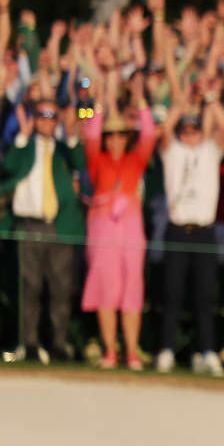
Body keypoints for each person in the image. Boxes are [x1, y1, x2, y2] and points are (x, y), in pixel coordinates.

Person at [2, 101, 87, 364]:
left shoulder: (63, 148)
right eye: (42, 115)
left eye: (52, 116)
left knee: (61, 288)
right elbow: (9, 167)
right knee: (30, 286)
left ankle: (58, 344)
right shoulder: (24, 147)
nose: (47, 120)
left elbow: (80, 162)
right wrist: (23, 135)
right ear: (35, 118)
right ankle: (29, 343)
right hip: (30, 224)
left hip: (59, 226)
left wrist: (72, 132)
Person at [81, 99, 157, 370]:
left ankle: (132, 352)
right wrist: (99, 105)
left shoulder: (135, 160)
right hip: (103, 231)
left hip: (131, 231)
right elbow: (90, 136)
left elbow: (149, 136)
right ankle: (110, 351)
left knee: (132, 290)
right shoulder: (96, 161)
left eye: (121, 134)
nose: (115, 139)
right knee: (105, 288)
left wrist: (142, 106)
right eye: (110, 135)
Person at [157, 101, 224, 375]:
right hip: (177, 229)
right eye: (185, 131)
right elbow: (164, 132)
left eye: (195, 131)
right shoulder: (173, 151)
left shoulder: (210, 151)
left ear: (201, 132)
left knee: (205, 295)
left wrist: (210, 101)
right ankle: (166, 349)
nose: (190, 136)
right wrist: (180, 100)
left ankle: (208, 351)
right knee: (172, 293)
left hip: (203, 231)